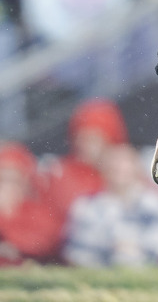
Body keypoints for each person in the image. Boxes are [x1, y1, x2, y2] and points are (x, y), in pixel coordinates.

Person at [63, 144, 158, 267]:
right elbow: (77, 253)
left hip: (147, 279)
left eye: (123, 166)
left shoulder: (156, 204)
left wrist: (121, 248)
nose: (118, 170)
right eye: (113, 166)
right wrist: (119, 247)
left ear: (136, 169)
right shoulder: (86, 206)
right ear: (103, 171)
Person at [42, 98, 130, 258]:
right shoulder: (59, 173)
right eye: (80, 137)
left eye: (93, 139)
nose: (84, 145)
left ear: (110, 139)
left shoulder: (125, 172)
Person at [0, 143, 56, 266]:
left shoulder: (39, 212)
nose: (3, 186)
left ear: (25, 181)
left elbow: (43, 246)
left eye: (11, 180)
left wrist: (4, 215)